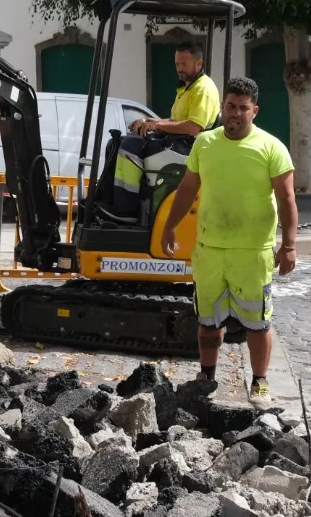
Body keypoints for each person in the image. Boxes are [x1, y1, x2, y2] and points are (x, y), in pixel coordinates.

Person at [161, 76, 297, 400]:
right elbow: (188, 189)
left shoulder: (271, 148)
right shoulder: (204, 143)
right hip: (210, 250)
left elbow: (287, 199)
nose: (235, 113)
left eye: (243, 108)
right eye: (230, 106)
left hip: (252, 253)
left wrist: (289, 246)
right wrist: (169, 226)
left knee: (257, 323)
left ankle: (259, 381)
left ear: (255, 111)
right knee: (208, 321)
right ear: (222, 107)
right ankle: (206, 375)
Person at [107, 42, 220, 219]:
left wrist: (156, 126)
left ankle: (126, 211)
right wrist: (148, 121)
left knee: (130, 147)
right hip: (179, 142)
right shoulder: (187, 87)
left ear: (199, 64)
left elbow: (193, 127)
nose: (179, 69)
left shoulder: (203, 89)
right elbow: (175, 121)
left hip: (188, 148)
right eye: (177, 64)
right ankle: (111, 200)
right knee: (116, 143)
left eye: (184, 64)